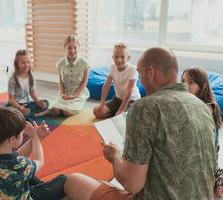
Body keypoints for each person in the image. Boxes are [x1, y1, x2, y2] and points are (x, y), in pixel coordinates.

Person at [63, 47, 216, 200]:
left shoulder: (145, 107)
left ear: (151, 72)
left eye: (140, 74)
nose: (140, 80)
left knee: (73, 180)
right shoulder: (204, 107)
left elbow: (132, 184)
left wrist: (114, 156)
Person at [0, 107, 67, 200]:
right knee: (64, 180)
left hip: (1, 195)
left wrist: (37, 137)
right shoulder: (20, 166)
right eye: (22, 133)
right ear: (12, 139)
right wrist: (35, 137)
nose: (23, 134)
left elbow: (17, 156)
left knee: (32, 178)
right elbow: (39, 161)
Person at [181, 67, 223, 197]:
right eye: (183, 81)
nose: (185, 86)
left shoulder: (206, 107)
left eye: (191, 82)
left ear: (203, 85)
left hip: (204, 161)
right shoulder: (191, 102)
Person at [93, 43, 141, 119]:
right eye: (116, 57)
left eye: (122, 57)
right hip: (117, 99)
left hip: (131, 101)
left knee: (122, 118)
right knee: (96, 111)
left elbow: (129, 91)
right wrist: (102, 104)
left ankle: (119, 116)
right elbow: (106, 86)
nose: (119, 60)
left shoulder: (132, 69)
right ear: (113, 57)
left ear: (128, 58)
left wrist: (121, 110)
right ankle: (115, 116)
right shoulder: (113, 67)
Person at [50, 34, 89, 116]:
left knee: (66, 112)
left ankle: (73, 106)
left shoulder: (84, 63)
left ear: (79, 47)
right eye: (69, 48)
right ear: (65, 48)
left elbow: (84, 82)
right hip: (66, 93)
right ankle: (62, 106)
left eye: (75, 48)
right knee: (55, 110)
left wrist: (75, 95)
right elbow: (61, 81)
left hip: (78, 94)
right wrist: (62, 94)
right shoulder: (60, 64)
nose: (72, 50)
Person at [7, 50, 49, 121]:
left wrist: (38, 102)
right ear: (17, 64)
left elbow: (32, 92)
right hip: (16, 105)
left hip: (27, 104)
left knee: (46, 103)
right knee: (9, 113)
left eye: (28, 62)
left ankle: (28, 115)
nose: (26, 65)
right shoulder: (12, 79)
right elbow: (11, 99)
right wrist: (20, 108)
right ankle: (37, 115)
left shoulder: (31, 76)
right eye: (23, 63)